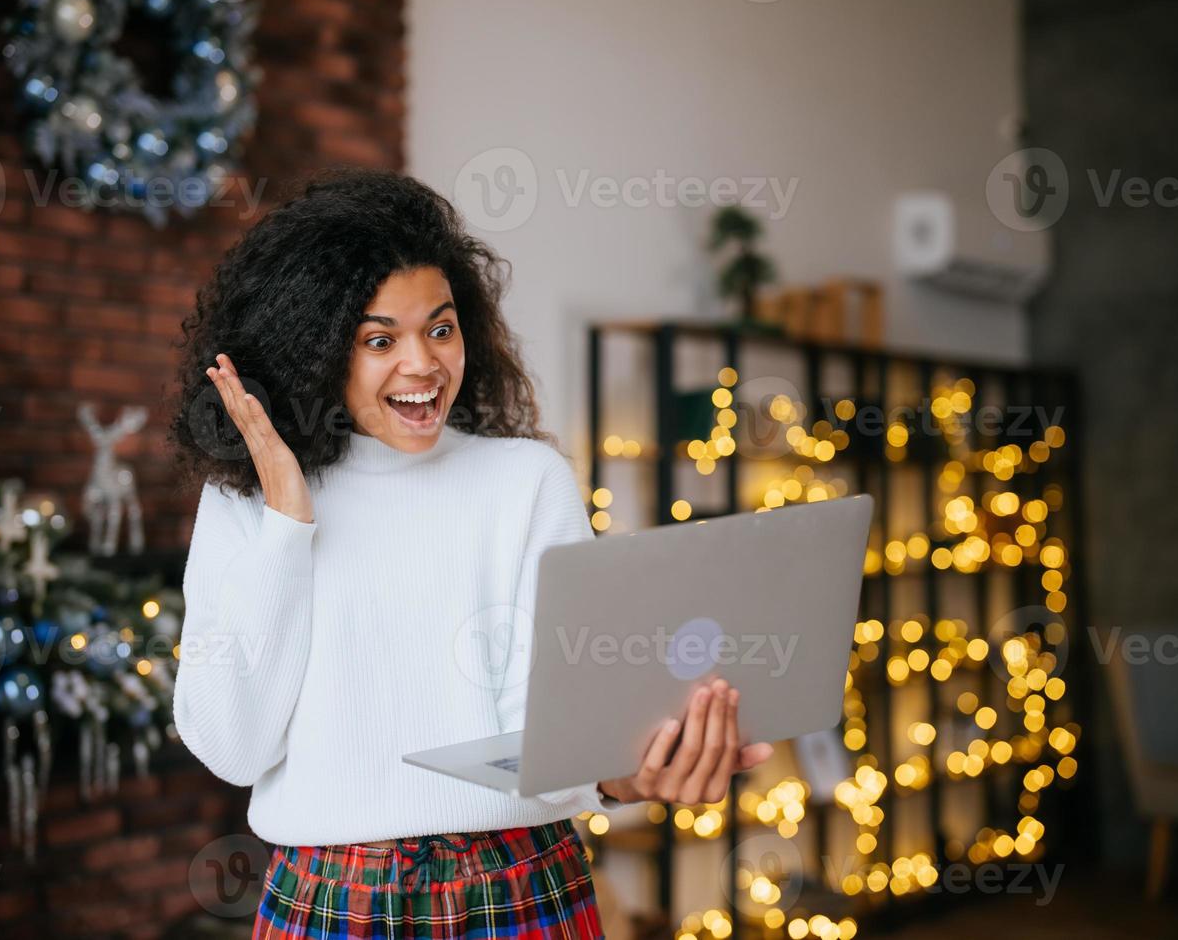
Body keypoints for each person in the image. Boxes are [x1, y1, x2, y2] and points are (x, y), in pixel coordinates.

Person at [167, 167, 774, 938]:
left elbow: (550, 732)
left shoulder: (525, 482)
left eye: (440, 328)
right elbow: (233, 748)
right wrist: (289, 520)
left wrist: (627, 775)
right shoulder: (246, 499)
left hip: (521, 884)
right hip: (331, 900)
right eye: (379, 339)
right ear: (314, 350)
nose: (423, 364)